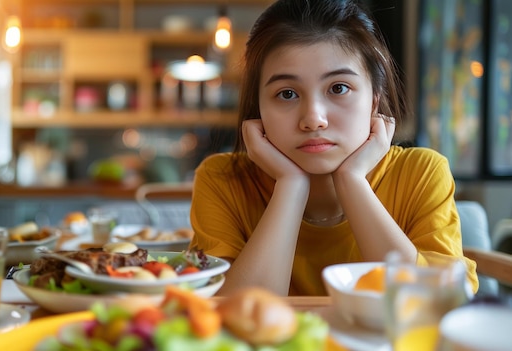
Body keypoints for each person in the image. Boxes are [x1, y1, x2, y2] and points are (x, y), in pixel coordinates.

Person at [188, 0, 478, 296]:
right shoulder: (221, 180)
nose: (313, 119)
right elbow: (231, 319)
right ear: (258, 109)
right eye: (287, 94)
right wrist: (290, 187)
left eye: (338, 88)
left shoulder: (422, 173)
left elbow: (434, 305)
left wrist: (352, 182)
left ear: (374, 99)